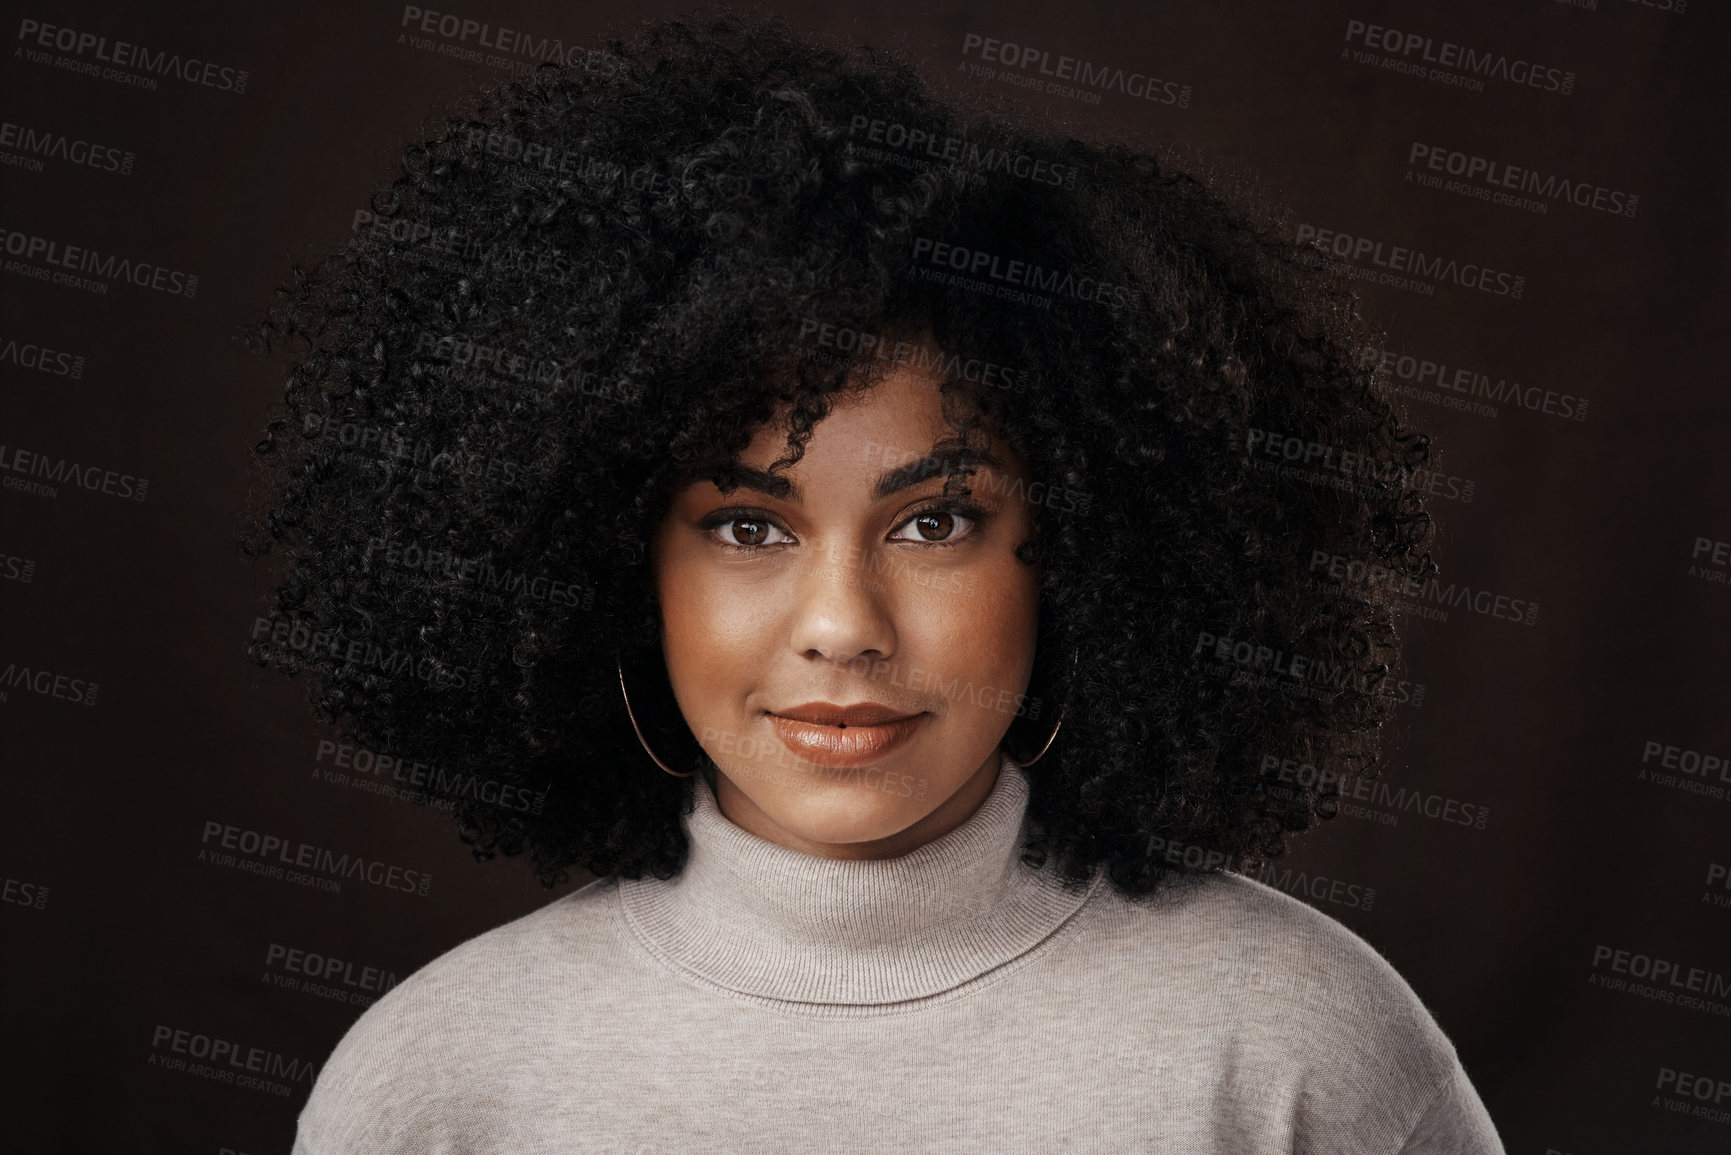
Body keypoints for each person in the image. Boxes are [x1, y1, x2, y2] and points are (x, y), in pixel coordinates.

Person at [245, 11, 1503, 1153]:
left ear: (1083, 554)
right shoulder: (441, 1082)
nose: (843, 626)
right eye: (747, 528)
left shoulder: (1299, 1048)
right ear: (616, 571)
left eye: (937, 520)